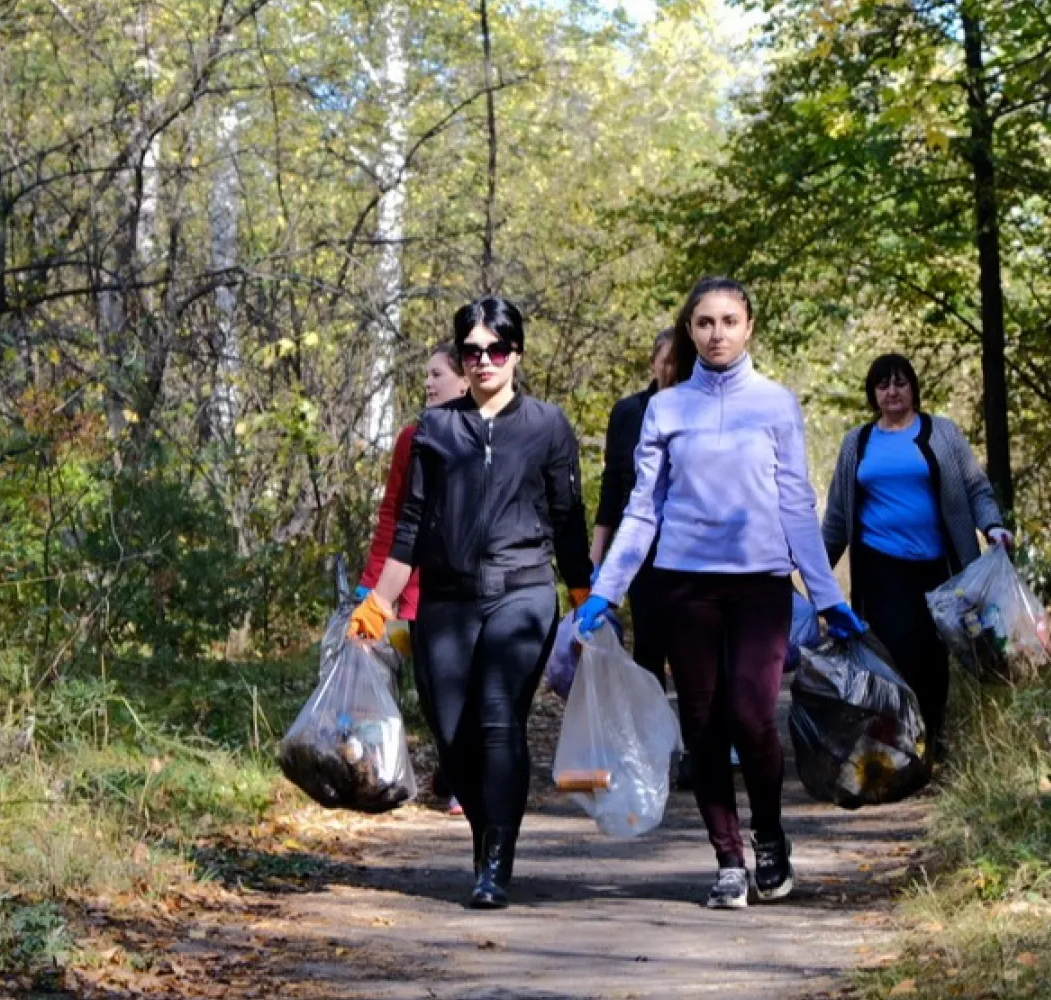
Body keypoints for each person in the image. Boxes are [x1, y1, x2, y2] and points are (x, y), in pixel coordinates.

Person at [576, 276, 866, 911]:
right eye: (704, 323)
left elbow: (795, 505)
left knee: (752, 714)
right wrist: (608, 588)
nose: (717, 334)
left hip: (760, 583)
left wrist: (825, 595)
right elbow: (642, 510)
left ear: (749, 327)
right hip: (684, 585)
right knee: (702, 723)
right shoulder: (667, 407)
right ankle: (728, 859)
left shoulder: (776, 405)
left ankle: (769, 837)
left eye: (729, 321)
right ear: (691, 331)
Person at [349, 297, 592, 910]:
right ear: (461, 357)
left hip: (523, 592)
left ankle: (496, 863)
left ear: (516, 354)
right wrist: (378, 601)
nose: (484, 361)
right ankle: (486, 839)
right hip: (446, 600)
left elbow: (568, 521)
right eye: (472, 351)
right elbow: (409, 525)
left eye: (497, 350)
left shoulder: (547, 425)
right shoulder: (435, 429)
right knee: (454, 738)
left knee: (495, 715)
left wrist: (585, 596)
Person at [821, 354, 1012, 766]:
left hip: (937, 565)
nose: (892, 392)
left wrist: (992, 526)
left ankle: (934, 735)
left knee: (931, 653)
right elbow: (838, 513)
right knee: (894, 651)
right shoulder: (858, 443)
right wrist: (816, 570)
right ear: (873, 394)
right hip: (879, 566)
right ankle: (903, 745)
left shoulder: (940, 433)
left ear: (913, 389)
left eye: (900, 383)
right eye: (883, 385)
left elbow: (976, 488)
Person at [355, 344, 469, 814]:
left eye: (437, 374)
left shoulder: (489, 435)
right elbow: (392, 515)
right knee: (438, 694)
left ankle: (462, 778)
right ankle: (453, 766)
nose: (428, 383)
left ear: (465, 381)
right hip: (418, 592)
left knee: (477, 689)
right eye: (426, 375)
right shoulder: (411, 437)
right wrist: (372, 588)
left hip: (477, 589)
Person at [590, 328, 676, 688]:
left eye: (681, 361)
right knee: (649, 645)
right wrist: (596, 557)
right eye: (667, 359)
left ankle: (705, 738)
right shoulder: (628, 413)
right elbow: (613, 486)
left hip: (691, 546)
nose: (673, 368)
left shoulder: (703, 410)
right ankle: (653, 733)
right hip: (641, 545)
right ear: (653, 362)